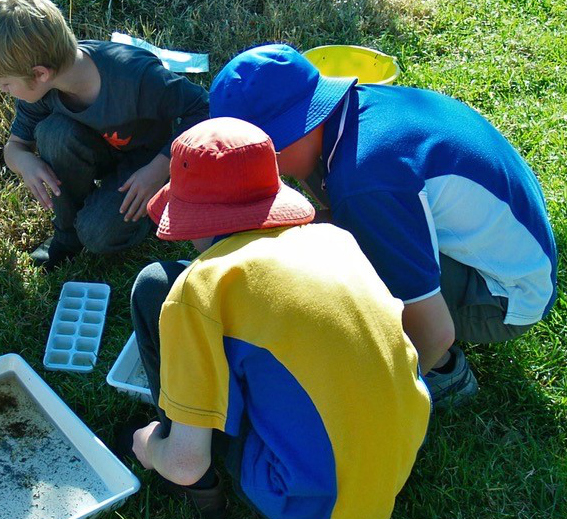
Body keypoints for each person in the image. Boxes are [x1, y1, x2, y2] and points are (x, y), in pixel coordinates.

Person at [127, 117, 431, 519]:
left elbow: (184, 465)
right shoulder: (336, 240)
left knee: (155, 284)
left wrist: (151, 444)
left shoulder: (202, 286)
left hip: (310, 512)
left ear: (195, 219)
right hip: (392, 470)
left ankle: (197, 473)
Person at [208, 43, 558, 404]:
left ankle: (442, 375)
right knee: (328, 243)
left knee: (337, 285)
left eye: (262, 153)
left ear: (295, 130)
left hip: (507, 296)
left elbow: (436, 331)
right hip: (513, 248)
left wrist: (375, 404)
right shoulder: (352, 113)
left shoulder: (364, 180)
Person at [0, 0, 209, 270]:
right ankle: (68, 236)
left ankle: (159, 203)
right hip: (106, 152)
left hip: (151, 161)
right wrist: (24, 161)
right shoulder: (41, 91)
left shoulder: (134, 77)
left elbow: (203, 107)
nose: (3, 90)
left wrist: (159, 170)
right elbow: (15, 147)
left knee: (97, 235)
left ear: (40, 73)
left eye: (5, 83)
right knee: (54, 133)